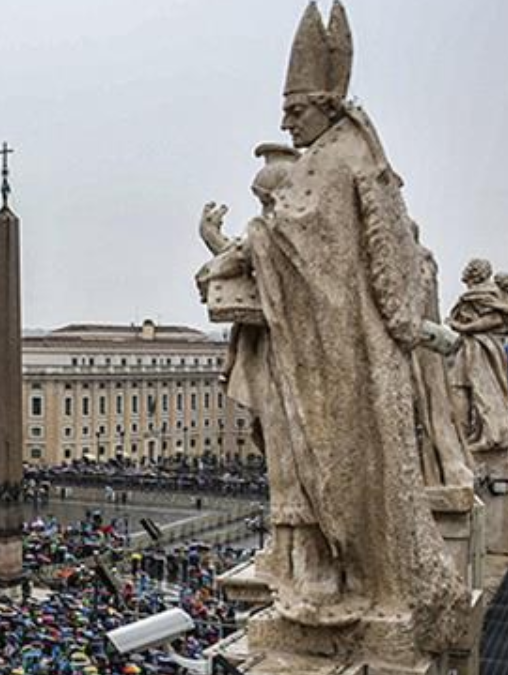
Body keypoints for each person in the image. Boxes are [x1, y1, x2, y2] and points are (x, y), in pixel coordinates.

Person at [198, 1, 465, 643]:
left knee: (330, 461)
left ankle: (344, 576)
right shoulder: (333, 157)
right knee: (312, 460)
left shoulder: (341, 159)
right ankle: (329, 569)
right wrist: (233, 248)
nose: (286, 121)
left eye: (295, 110)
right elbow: (287, 236)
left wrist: (237, 246)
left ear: (326, 105)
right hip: (321, 345)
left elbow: (301, 240)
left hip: (336, 350)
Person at [447, 259, 508, 453]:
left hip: (481, 347)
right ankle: (466, 435)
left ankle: (493, 435)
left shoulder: (485, 294)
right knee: (458, 385)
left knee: (485, 389)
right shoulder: (483, 293)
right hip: (470, 346)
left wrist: (461, 327)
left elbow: (495, 319)